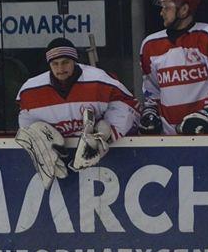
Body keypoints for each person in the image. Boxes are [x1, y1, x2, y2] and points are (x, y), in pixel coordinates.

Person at [15, 37, 140, 189]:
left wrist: (107, 134)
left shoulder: (99, 80)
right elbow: (26, 126)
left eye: (65, 62)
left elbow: (129, 105)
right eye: (55, 64)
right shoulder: (31, 91)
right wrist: (37, 141)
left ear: (74, 61)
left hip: (105, 168)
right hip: (61, 165)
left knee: (104, 127)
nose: (60, 68)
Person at [139, 0, 208, 135]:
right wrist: (151, 112)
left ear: (184, 10)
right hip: (167, 140)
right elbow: (152, 92)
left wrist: (207, 116)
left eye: (167, 7)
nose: (161, 12)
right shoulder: (150, 45)